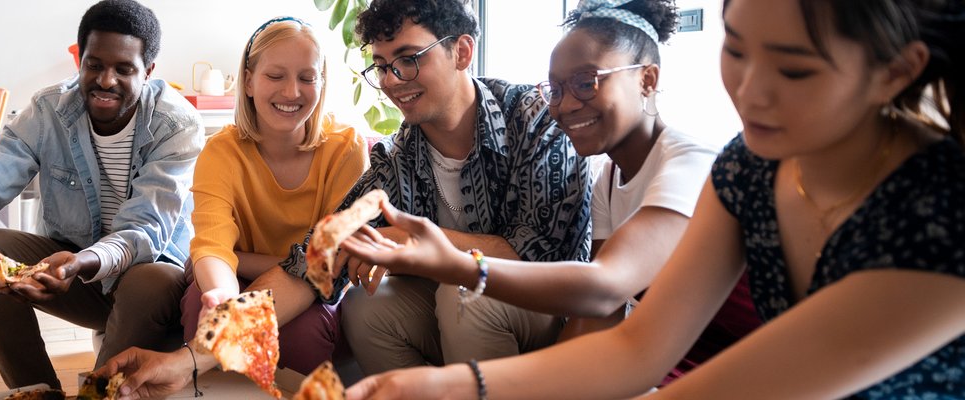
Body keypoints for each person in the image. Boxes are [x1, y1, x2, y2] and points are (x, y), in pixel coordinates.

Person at [346, 0, 965, 398]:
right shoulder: (746, 170)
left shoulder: (940, 212)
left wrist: (463, 375)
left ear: (894, 71)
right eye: (737, 50)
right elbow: (634, 347)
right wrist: (452, 385)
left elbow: (615, 293)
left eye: (795, 70)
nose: (748, 92)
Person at [341, 0, 761, 385]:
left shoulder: (688, 162)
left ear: (647, 80)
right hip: (655, 351)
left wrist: (455, 264)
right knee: (369, 304)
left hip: (728, 363)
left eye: (586, 83)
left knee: (465, 296)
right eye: (555, 90)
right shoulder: (610, 180)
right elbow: (598, 313)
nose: (563, 106)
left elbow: (605, 285)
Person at [279, 0, 592, 377]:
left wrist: (407, 240)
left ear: (461, 52)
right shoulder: (399, 154)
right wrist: (199, 354)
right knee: (365, 307)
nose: (391, 80)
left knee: (462, 294)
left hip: (554, 309)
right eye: (381, 66)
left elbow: (540, 254)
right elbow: (319, 257)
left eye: (409, 58)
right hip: (459, 308)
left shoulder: (534, 119)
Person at [0, 0, 204, 390]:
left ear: (148, 71)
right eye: (94, 65)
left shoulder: (177, 124)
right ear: (80, 61)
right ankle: (35, 390)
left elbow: (144, 232)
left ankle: (99, 394)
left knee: (151, 280)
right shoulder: (48, 111)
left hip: (147, 287)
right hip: (76, 281)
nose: (106, 80)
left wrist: (81, 264)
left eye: (124, 69)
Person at [91, 17, 368, 399]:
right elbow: (213, 246)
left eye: (307, 77)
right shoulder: (222, 151)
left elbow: (323, 266)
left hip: (312, 289)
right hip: (232, 277)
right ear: (249, 81)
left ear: (322, 82)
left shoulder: (347, 149)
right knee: (199, 308)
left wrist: (247, 260)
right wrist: (221, 296)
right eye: (275, 76)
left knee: (303, 333)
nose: (292, 91)